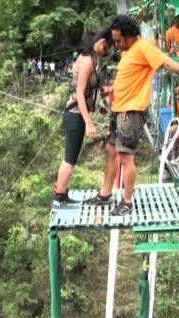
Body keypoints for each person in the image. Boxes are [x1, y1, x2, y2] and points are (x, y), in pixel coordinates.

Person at [84, 15, 179, 215]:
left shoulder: (143, 48)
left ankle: (127, 202)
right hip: (118, 109)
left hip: (130, 113)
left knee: (125, 156)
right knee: (111, 150)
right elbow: (131, 78)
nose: (117, 44)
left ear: (130, 36)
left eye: (119, 40)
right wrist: (111, 89)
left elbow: (166, 63)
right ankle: (105, 194)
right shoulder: (129, 51)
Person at [53, 28, 114, 207]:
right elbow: (80, 92)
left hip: (79, 113)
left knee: (72, 157)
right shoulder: (87, 60)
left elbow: (93, 89)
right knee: (70, 158)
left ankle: (62, 193)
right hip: (75, 114)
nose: (109, 51)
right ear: (101, 42)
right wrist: (89, 123)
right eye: (108, 47)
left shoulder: (93, 59)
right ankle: (59, 196)